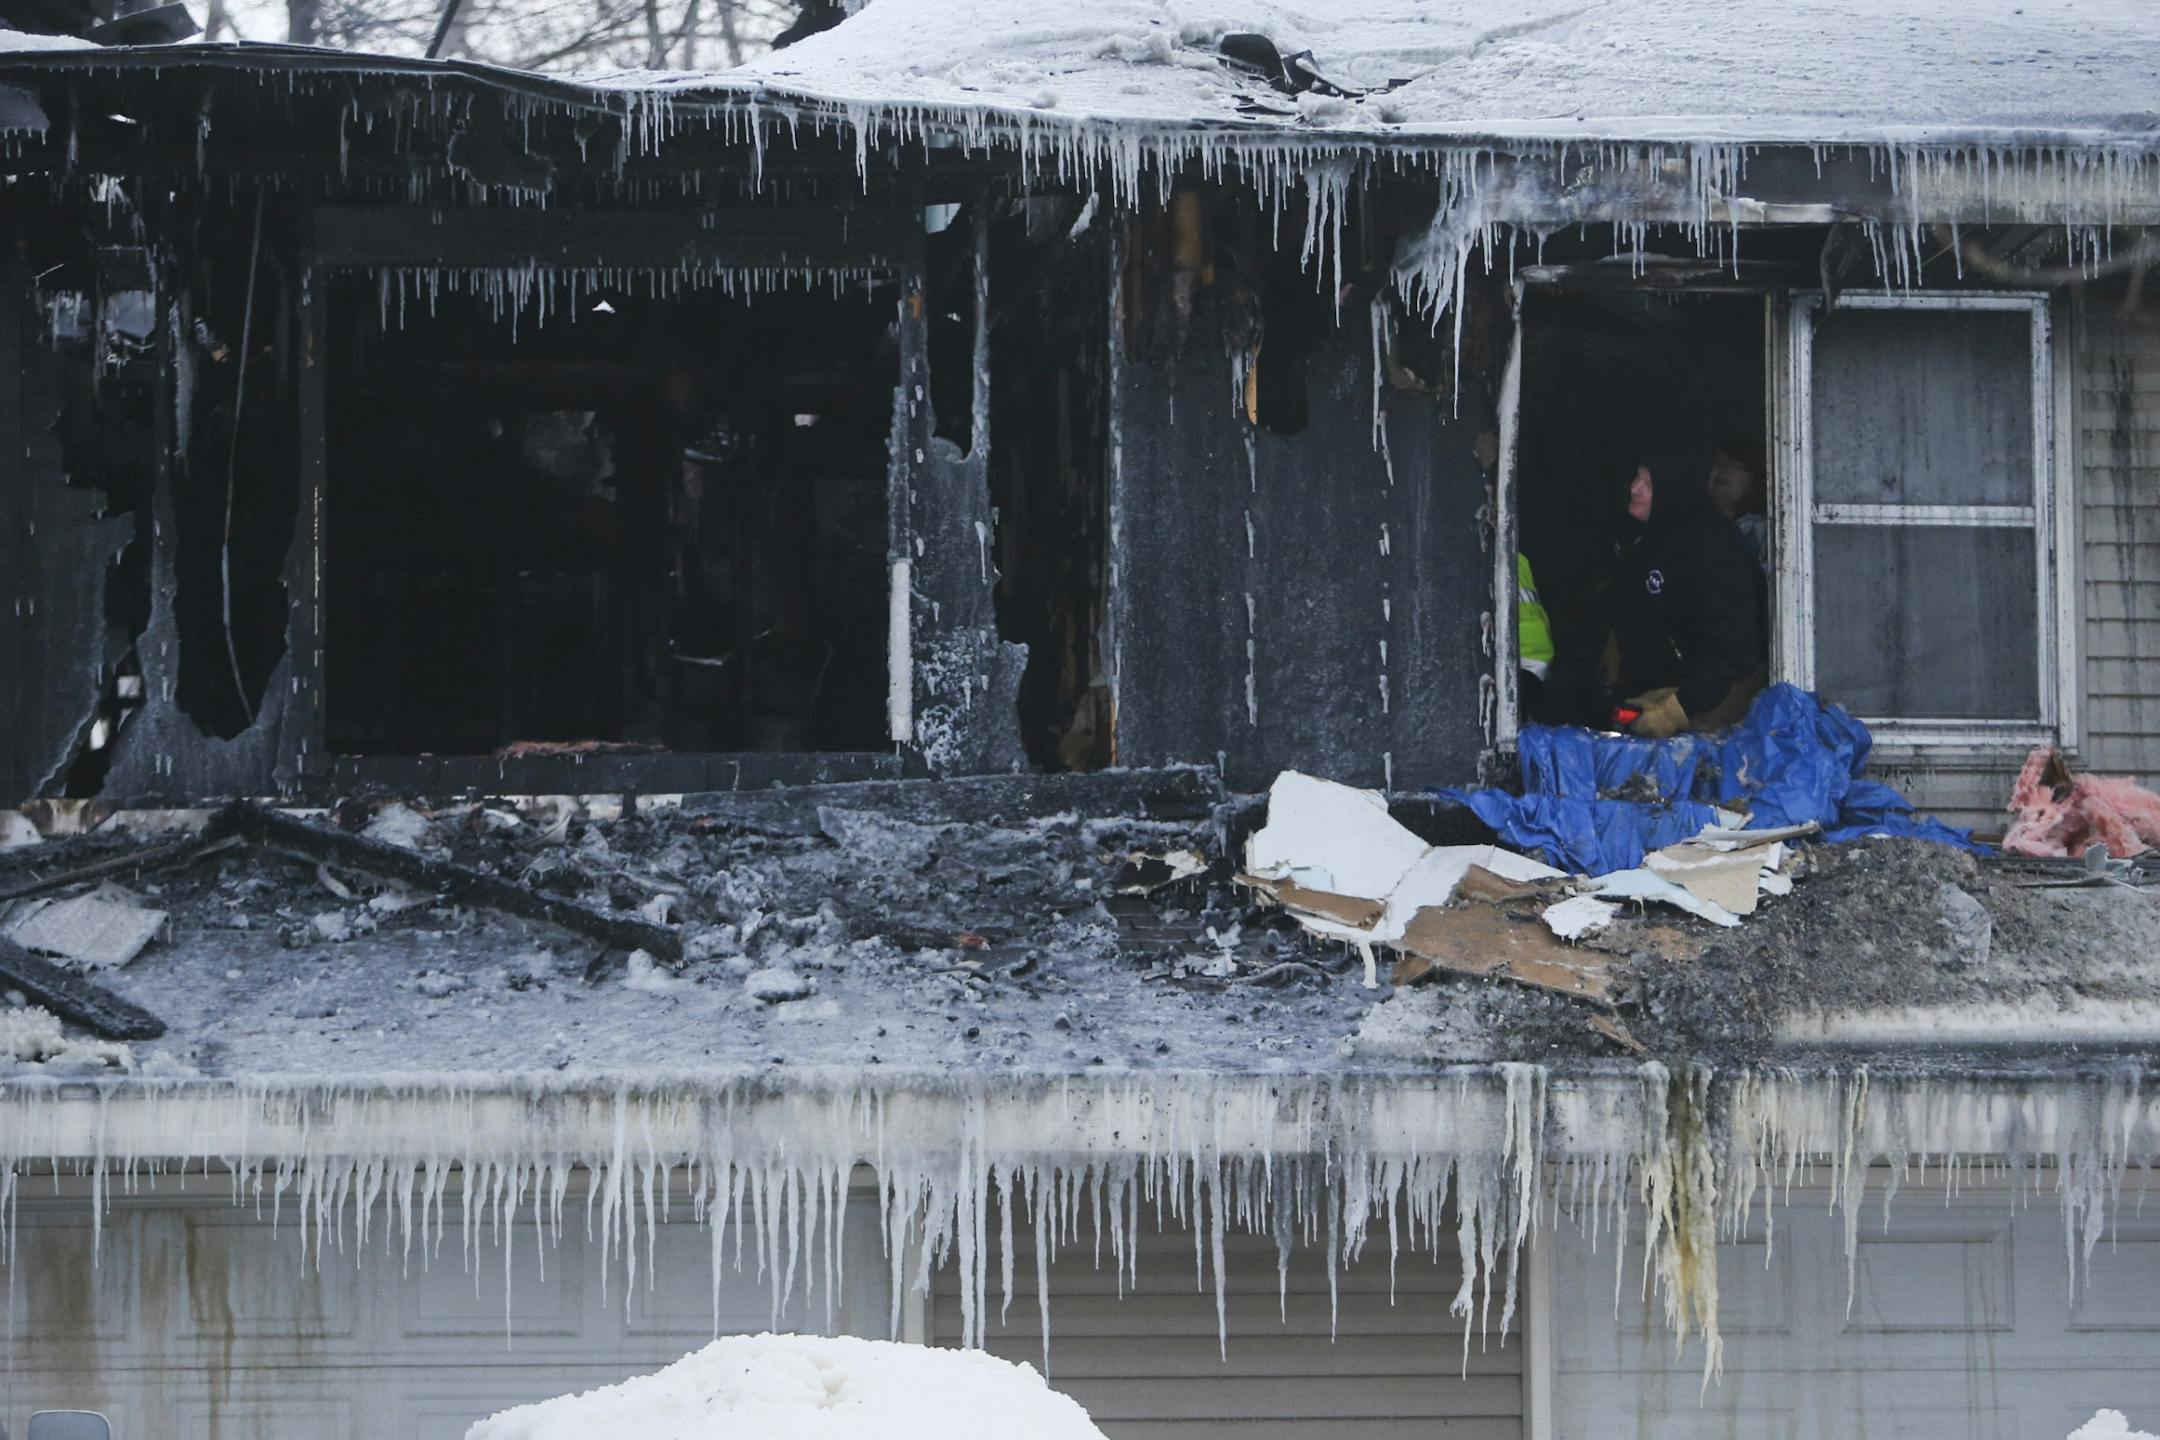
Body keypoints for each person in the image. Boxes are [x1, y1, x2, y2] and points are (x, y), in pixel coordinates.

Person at [1606, 455, 1767, 738]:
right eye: (1636, 478)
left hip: (1711, 703)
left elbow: (1735, 655)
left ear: (1674, 489)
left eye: (1649, 484)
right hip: (1658, 699)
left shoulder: (1712, 547)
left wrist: (1678, 709)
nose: (1635, 489)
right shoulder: (1645, 540)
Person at [1706, 438, 1769, 574]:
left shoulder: (1766, 534)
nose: (1723, 469)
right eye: (1718, 462)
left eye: (1737, 466)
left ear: (1755, 478)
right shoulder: (1695, 526)